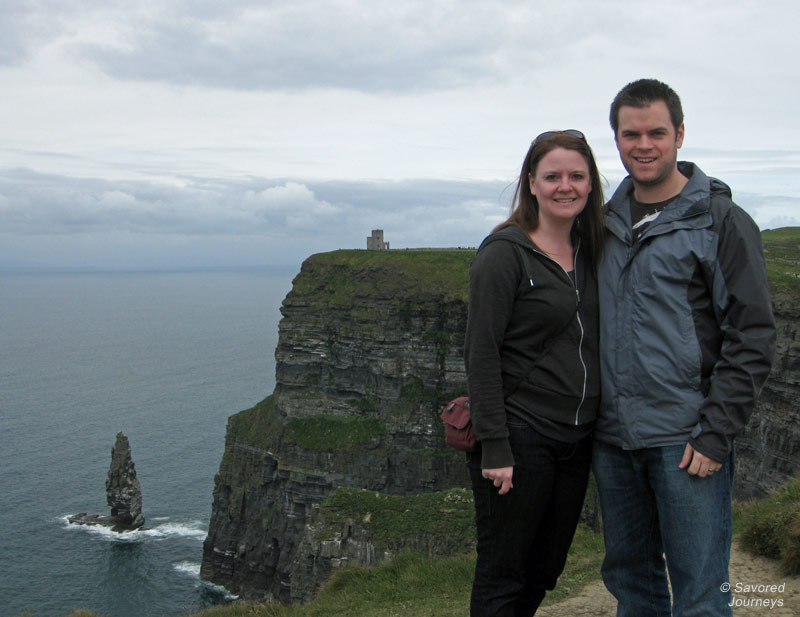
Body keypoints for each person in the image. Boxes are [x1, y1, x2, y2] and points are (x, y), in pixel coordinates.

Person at [593, 78, 776, 617]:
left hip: (686, 440)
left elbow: (754, 333)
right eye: (631, 134)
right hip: (612, 440)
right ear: (618, 139)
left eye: (656, 132)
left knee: (699, 593)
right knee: (632, 586)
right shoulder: (602, 223)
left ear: (679, 134)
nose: (643, 145)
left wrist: (717, 432)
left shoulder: (721, 222)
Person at [464, 130, 605, 617]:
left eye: (576, 176)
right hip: (521, 433)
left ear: (590, 184)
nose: (564, 186)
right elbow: (480, 353)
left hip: (577, 437)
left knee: (545, 568)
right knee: (504, 574)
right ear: (531, 182)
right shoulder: (505, 253)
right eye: (552, 176)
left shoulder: (592, 250)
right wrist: (496, 445)